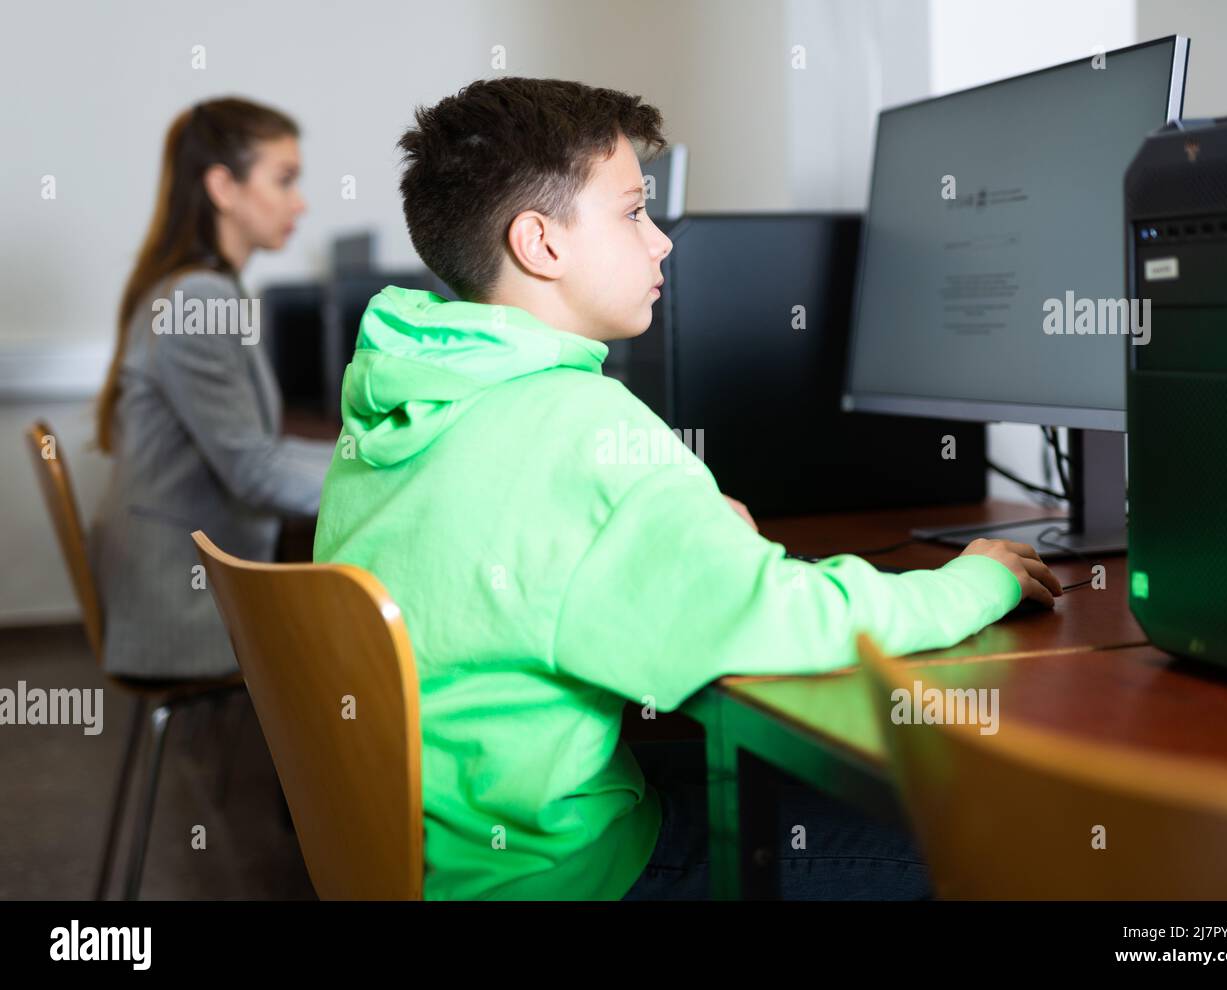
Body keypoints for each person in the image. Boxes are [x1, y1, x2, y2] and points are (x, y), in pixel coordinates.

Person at [313, 77, 1063, 899]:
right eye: (634, 212)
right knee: (1014, 849)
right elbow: (782, 618)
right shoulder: (582, 428)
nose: (662, 240)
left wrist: (686, 537)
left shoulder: (396, 400)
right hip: (566, 875)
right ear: (541, 243)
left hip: (441, 860)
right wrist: (975, 580)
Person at [90, 97, 335, 681]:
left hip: (168, 580)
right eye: (285, 180)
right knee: (375, 643)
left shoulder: (198, 288)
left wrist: (364, 459)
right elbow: (256, 470)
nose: (299, 202)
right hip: (180, 607)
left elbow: (259, 449)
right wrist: (395, 480)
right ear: (223, 187)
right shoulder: (199, 299)